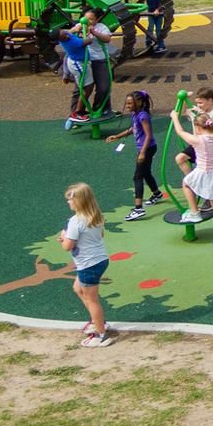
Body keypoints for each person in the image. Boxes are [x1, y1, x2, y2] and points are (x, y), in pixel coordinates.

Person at [170, 103, 213, 246]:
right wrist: (199, 111)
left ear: (198, 128)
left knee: (186, 183)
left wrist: (174, 117)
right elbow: (209, 122)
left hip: (206, 172)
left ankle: (194, 212)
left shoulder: (199, 140)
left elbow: (180, 132)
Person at [60, 182, 113, 346]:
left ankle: (100, 334)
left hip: (88, 265)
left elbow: (67, 246)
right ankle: (97, 322)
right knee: (78, 288)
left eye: (70, 199)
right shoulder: (94, 216)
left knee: (92, 300)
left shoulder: (75, 222)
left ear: (79, 201)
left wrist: (64, 237)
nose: (68, 202)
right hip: (100, 260)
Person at [104, 90, 163, 219]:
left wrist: (142, 153)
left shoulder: (143, 116)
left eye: (130, 103)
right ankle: (157, 194)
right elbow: (133, 129)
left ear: (139, 102)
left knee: (137, 177)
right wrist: (118, 136)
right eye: (127, 103)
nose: (128, 105)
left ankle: (138, 209)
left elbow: (148, 135)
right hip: (145, 149)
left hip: (147, 149)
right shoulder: (135, 115)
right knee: (146, 173)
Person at [174, 87, 213, 217]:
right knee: (179, 158)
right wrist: (184, 99)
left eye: (201, 102)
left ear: (210, 100)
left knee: (207, 173)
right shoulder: (197, 111)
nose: (199, 105)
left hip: (208, 147)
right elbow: (181, 112)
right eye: (197, 102)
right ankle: (194, 183)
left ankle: (208, 197)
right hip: (196, 144)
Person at [63, 9, 115, 127]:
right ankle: (75, 115)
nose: (88, 22)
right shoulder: (79, 26)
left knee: (103, 87)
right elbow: (65, 38)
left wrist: (94, 33)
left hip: (99, 61)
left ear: (96, 20)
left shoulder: (101, 27)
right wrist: (74, 30)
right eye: (86, 19)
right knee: (80, 89)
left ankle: (98, 110)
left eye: (91, 19)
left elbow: (107, 39)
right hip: (84, 62)